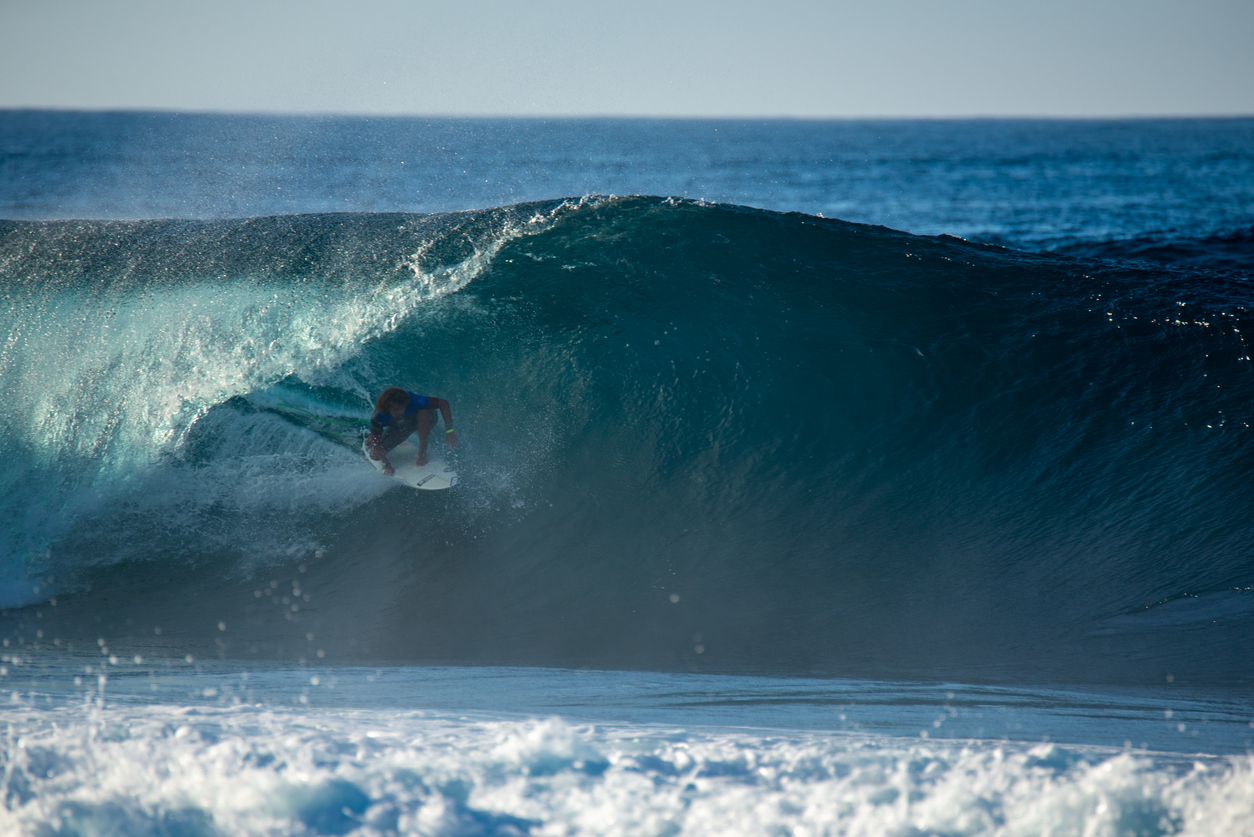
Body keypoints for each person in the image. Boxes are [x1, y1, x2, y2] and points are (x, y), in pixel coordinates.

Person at [366, 388, 459, 475]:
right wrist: (387, 465)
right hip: (400, 426)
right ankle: (373, 437)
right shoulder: (378, 417)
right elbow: (377, 447)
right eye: (396, 409)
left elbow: (443, 403)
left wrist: (450, 431)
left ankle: (422, 452)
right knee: (375, 456)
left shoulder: (413, 401)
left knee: (424, 413)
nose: (401, 412)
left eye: (402, 407)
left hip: (425, 419)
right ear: (387, 409)